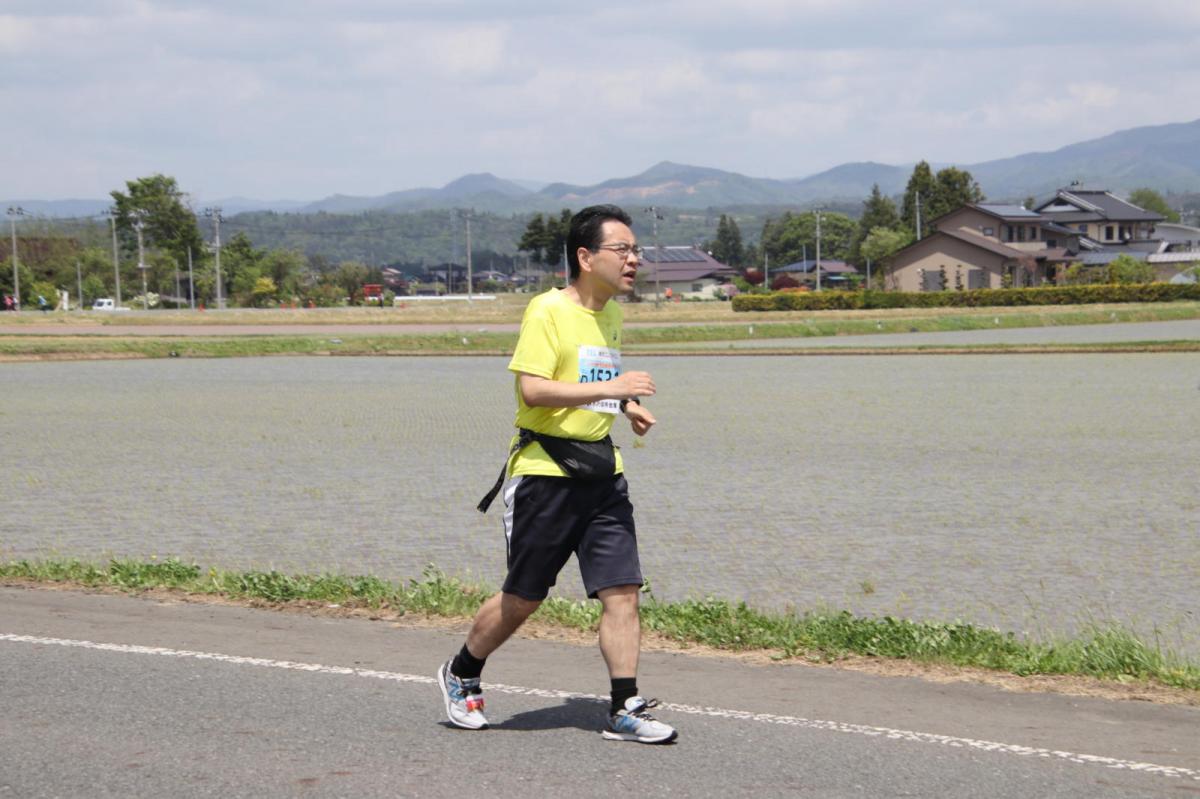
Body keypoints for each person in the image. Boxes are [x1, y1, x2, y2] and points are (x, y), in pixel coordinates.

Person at [437, 204, 677, 744]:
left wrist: (627, 406)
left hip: (601, 473)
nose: (634, 259)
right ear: (586, 256)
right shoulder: (546, 310)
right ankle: (462, 671)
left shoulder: (610, 312)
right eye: (623, 250)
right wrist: (612, 390)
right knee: (523, 597)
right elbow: (535, 390)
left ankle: (624, 706)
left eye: (636, 250)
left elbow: (596, 378)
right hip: (545, 473)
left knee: (623, 591)